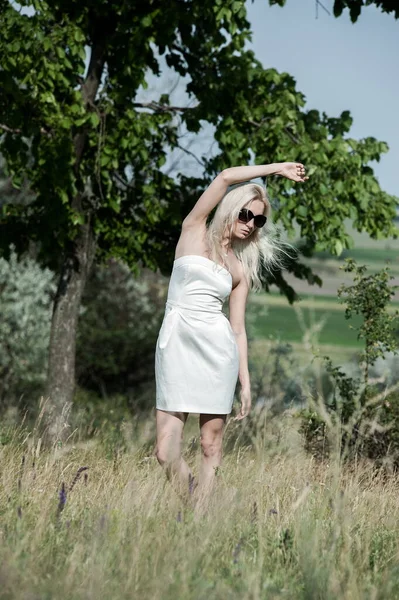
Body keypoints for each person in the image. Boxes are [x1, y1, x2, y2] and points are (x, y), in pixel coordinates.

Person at [154, 162, 308, 507]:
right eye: (245, 215)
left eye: (258, 220)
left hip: (217, 355)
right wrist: (277, 168)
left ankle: (201, 519)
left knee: (211, 445)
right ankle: (195, 501)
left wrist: (246, 380)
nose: (250, 224)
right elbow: (224, 177)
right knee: (165, 451)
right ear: (230, 209)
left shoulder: (240, 268)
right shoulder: (192, 230)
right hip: (176, 346)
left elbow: (237, 329)